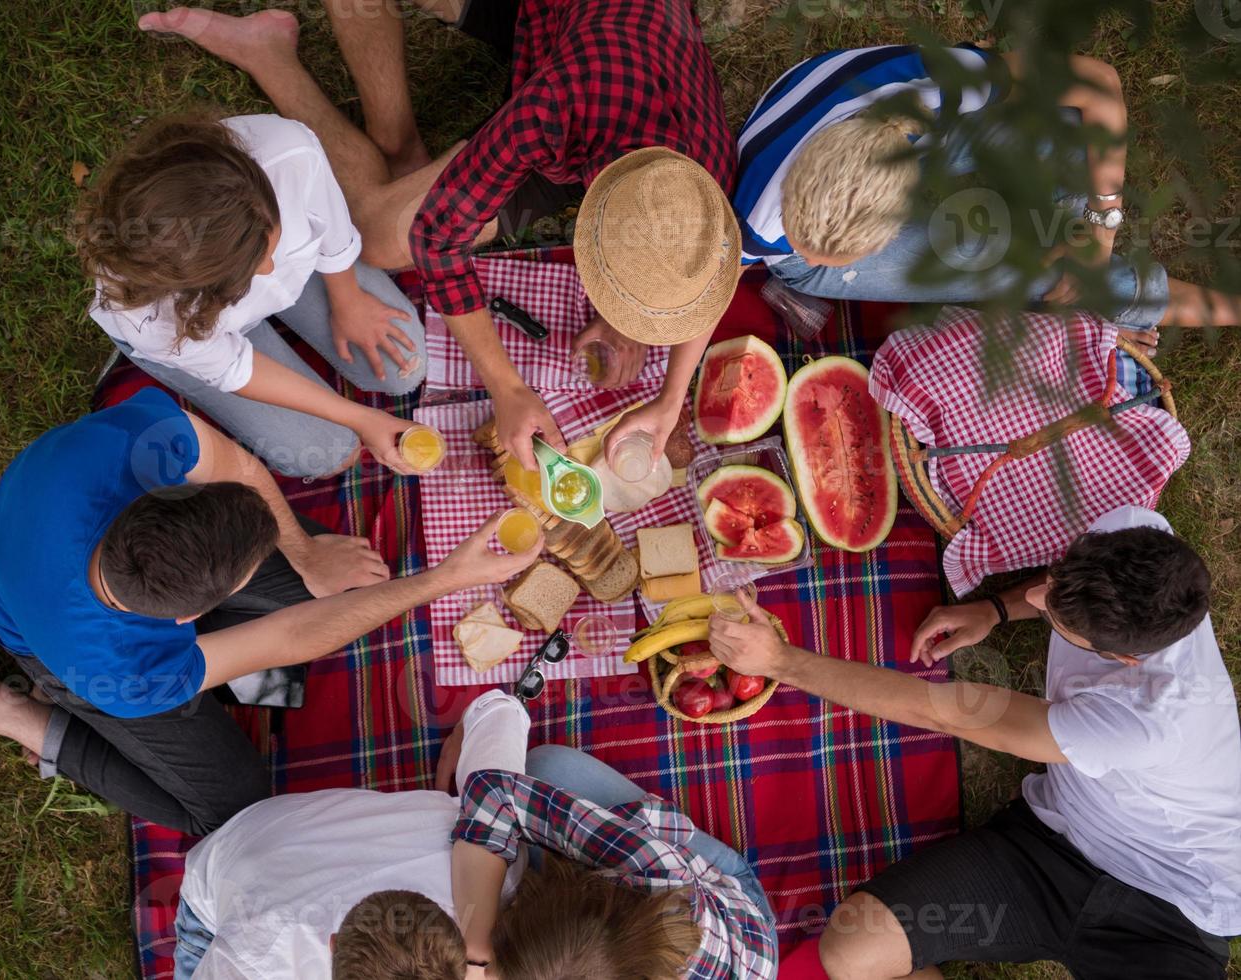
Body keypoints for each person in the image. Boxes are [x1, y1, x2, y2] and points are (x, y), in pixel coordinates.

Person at [0, 388, 540, 834]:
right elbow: (289, 636)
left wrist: (305, 554)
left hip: (37, 542)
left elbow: (245, 470)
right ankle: (5, 711)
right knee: (234, 809)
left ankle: (289, 580)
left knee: (332, 590)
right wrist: (445, 578)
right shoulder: (134, 670)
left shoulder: (140, 440)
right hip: (41, 642)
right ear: (184, 624)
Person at [133, 0, 743, 471]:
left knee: (384, 225)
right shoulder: (554, 110)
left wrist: (664, 390)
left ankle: (400, 152)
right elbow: (438, 241)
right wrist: (506, 388)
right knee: (377, 235)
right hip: (567, 39)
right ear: (591, 223)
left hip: (608, 55)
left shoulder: (706, 184)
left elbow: (715, 273)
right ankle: (280, 63)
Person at [704, 506, 1239, 979]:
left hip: (1172, 911)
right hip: (1046, 847)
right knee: (851, 951)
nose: (1037, 595)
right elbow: (1047, 588)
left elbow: (933, 709)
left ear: (1124, 659)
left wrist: (780, 661)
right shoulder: (1133, 530)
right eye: (1055, 578)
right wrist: (997, 610)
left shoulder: (1142, 722)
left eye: (1054, 613)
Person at [733, 45, 1241, 355]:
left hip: (920, 131)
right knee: (1042, 270)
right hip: (867, 165)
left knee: (1068, 129)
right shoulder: (754, 223)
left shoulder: (939, 87)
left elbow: (1099, 84)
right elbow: (697, 297)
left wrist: (1100, 229)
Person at [77, 112, 427, 480]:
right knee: (326, 454)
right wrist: (359, 417)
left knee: (407, 365)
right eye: (248, 270)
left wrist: (348, 298)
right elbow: (234, 367)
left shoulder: (286, 152)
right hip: (213, 336)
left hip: (295, 275)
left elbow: (330, 227)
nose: (269, 271)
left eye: (273, 244)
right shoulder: (146, 314)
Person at [165, 689, 531, 979]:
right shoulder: (259, 958)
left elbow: (500, 712)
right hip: (219, 905)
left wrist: (464, 728)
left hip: (267, 836)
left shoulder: (498, 856)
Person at [449, 744, 779, 979]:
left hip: (735, 953)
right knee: (545, 766)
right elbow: (493, 792)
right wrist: (477, 950)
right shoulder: (654, 869)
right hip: (736, 910)